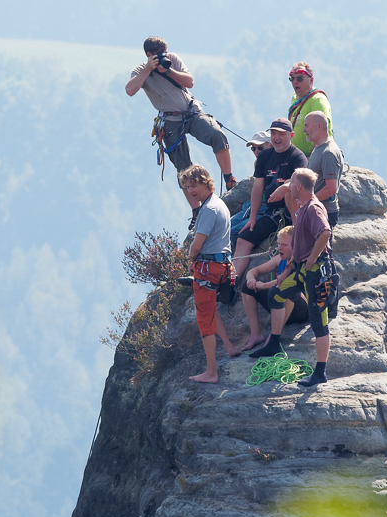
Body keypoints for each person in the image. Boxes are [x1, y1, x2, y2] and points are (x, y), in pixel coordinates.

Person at [126, 38, 237, 214]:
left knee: (217, 134)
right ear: (149, 55)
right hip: (169, 120)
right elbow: (130, 90)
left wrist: (168, 71)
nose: (164, 56)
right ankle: (196, 211)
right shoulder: (141, 70)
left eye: (165, 52)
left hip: (190, 111)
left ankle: (229, 178)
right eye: (159, 54)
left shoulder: (173, 60)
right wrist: (148, 69)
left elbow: (190, 82)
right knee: (183, 168)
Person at [179, 165, 240, 383]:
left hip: (208, 270)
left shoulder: (207, 210)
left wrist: (192, 258)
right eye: (187, 187)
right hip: (223, 267)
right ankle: (229, 346)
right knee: (212, 308)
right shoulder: (218, 203)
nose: (191, 190)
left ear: (205, 182)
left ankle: (211, 372)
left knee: (204, 319)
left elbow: (197, 245)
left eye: (193, 185)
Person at [231, 118, 307, 283]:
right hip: (273, 213)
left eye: (281, 134)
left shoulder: (297, 157)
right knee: (243, 237)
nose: (276, 137)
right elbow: (258, 188)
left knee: (290, 189)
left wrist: (285, 186)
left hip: (291, 213)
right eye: (273, 133)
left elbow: (300, 185)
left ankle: (297, 231)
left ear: (291, 135)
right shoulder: (265, 156)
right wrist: (252, 219)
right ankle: (232, 281)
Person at [285, 168, 334, 387]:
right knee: (277, 294)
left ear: (298, 187)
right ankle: (272, 343)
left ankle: (320, 372)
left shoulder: (313, 208)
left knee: (319, 321)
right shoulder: (303, 207)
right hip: (304, 270)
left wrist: (312, 258)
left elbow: (325, 233)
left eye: (291, 182)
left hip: (316, 272)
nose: (289, 186)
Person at [240, 226, 307, 355]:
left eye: (285, 245)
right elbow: (254, 271)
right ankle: (256, 335)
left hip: (301, 309)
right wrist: (250, 279)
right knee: (246, 287)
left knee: (288, 290)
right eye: (279, 244)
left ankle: (274, 336)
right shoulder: (279, 259)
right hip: (279, 304)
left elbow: (284, 282)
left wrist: (263, 285)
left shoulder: (300, 260)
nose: (280, 248)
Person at [303, 111, 344, 228]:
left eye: (306, 125)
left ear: (319, 126)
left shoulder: (328, 152)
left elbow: (331, 188)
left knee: (321, 246)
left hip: (324, 212)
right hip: (316, 209)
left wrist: (308, 203)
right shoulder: (318, 147)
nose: (304, 130)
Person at [287, 62, 333, 157]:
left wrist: (312, 158)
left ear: (311, 80)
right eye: (292, 78)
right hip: (297, 157)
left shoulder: (318, 99)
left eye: (300, 78)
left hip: (314, 157)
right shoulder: (295, 98)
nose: (295, 82)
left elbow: (322, 130)